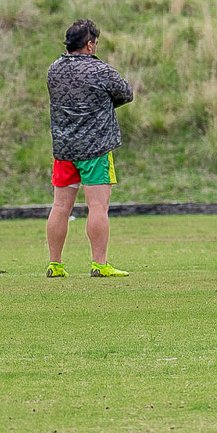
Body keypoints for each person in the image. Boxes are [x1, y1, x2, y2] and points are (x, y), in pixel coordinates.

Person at [45, 19, 135, 278]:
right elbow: (126, 93)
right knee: (97, 207)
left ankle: (55, 264)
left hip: (64, 149)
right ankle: (99, 264)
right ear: (89, 44)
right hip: (95, 148)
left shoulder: (54, 69)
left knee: (60, 207)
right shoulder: (100, 70)